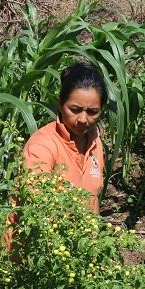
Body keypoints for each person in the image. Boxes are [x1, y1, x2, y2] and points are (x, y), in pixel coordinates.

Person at [21, 61, 106, 213]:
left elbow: (93, 200)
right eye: (75, 110)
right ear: (60, 103)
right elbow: (35, 210)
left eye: (92, 112)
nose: (83, 119)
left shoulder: (94, 141)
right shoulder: (41, 147)